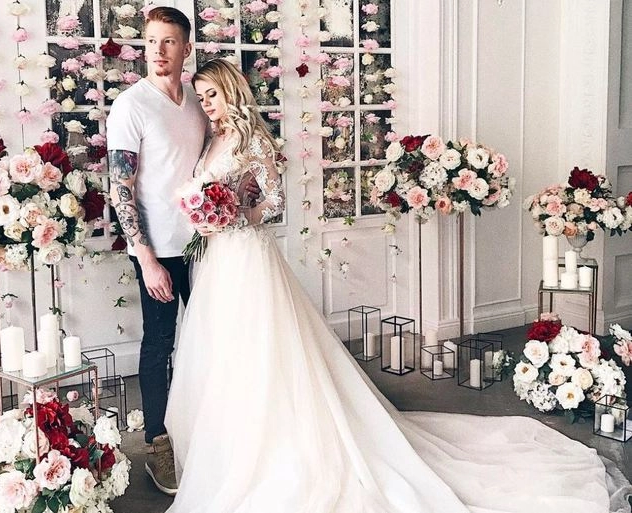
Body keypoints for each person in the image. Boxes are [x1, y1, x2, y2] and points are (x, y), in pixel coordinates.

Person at [163, 58, 631, 513]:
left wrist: (235, 215)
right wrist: (207, 217)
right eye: (200, 98)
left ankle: (276, 446)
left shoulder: (251, 142)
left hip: (248, 255)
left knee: (263, 348)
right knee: (225, 350)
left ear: (232, 92)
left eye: (213, 95)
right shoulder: (210, 140)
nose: (207, 104)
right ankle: (229, 448)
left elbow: (275, 201)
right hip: (219, 261)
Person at [106, 6, 208, 496]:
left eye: (169, 41)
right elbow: (120, 187)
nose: (158, 51)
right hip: (157, 250)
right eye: (151, 41)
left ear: (186, 48)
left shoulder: (197, 102)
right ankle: (157, 442)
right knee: (159, 343)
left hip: (204, 245)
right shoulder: (131, 106)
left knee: (210, 339)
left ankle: (206, 431)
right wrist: (145, 258)